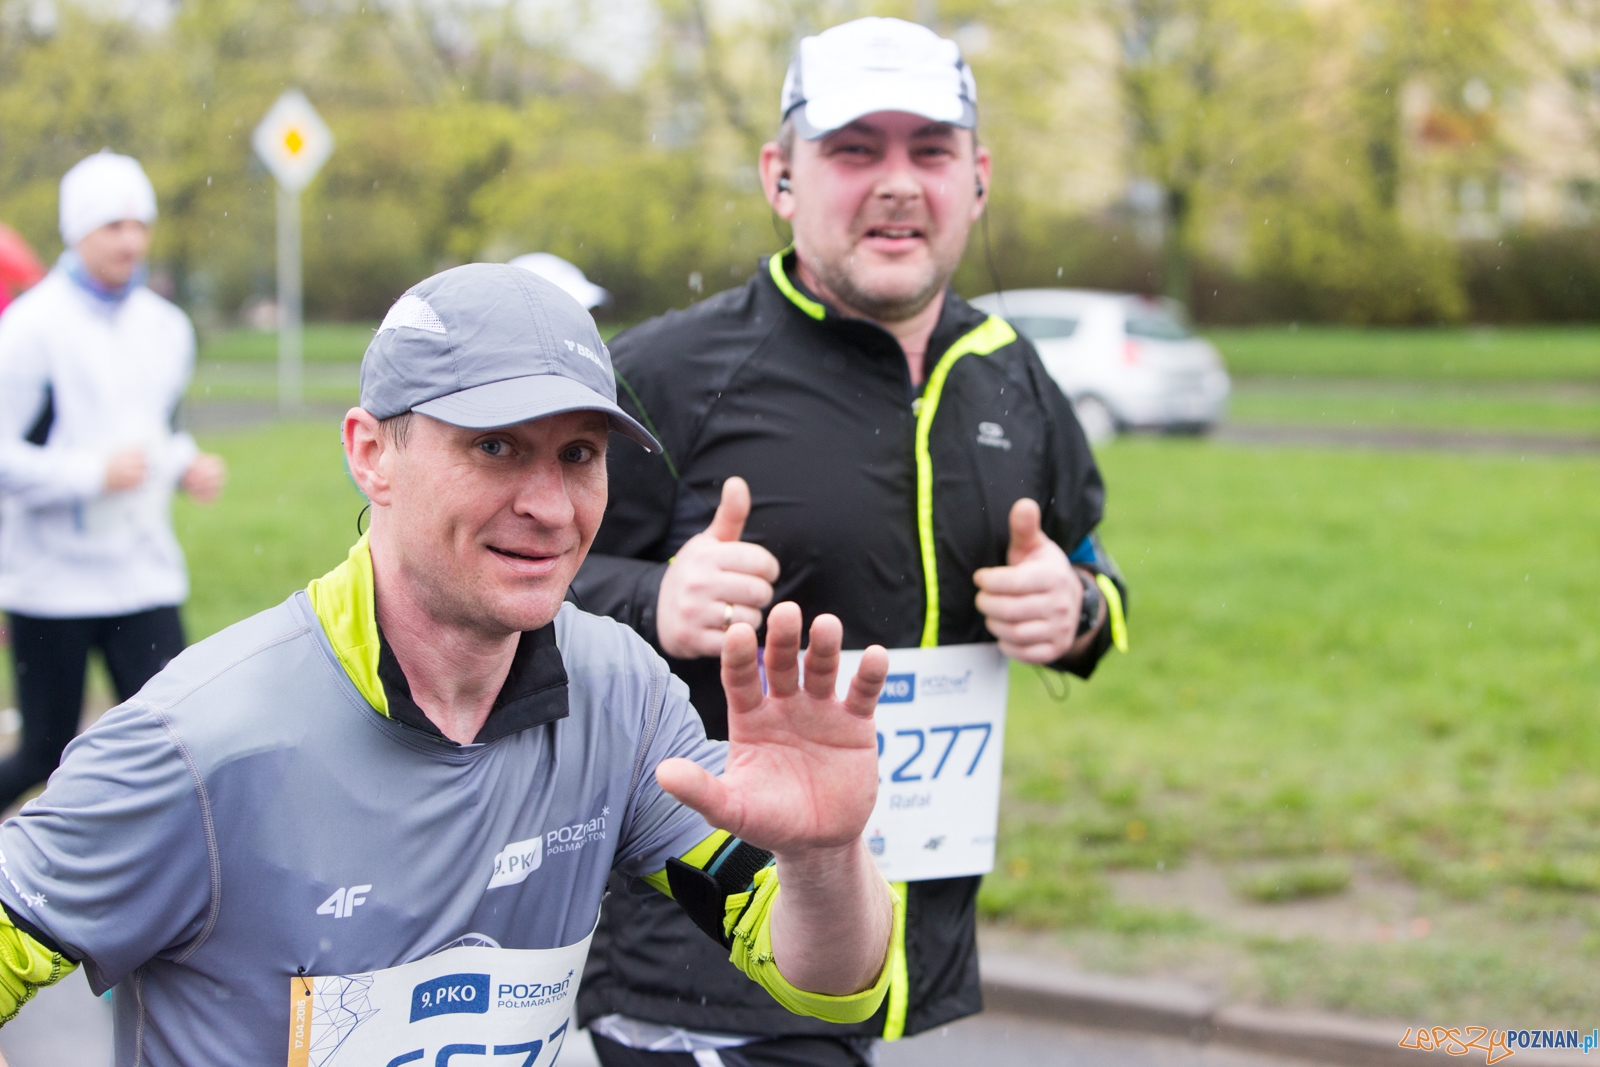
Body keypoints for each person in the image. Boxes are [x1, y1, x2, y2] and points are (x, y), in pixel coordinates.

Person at [0, 263, 900, 1065]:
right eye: (495, 446)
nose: (551, 506)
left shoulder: (619, 693)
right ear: (370, 453)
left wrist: (823, 855)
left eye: (579, 454)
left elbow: (827, 981)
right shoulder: (201, 743)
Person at [571, 17, 1129, 1066]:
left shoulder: (1012, 373)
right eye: (855, 149)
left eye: (931, 150)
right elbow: (494, 593)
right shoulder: (665, 374)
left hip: (906, 943)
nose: (898, 182)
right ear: (780, 177)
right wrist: (655, 601)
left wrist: (1078, 609)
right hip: (708, 962)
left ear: (978, 179)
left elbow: (1095, 571)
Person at [0, 150, 226, 810]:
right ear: (77, 231)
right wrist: (90, 475)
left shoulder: (167, 327)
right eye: (113, 226)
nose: (131, 241)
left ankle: (157, 863)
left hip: (142, 574)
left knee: (178, 742)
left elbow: (158, 432)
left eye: (141, 225)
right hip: (51, 583)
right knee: (46, 751)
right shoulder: (28, 330)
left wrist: (186, 465)